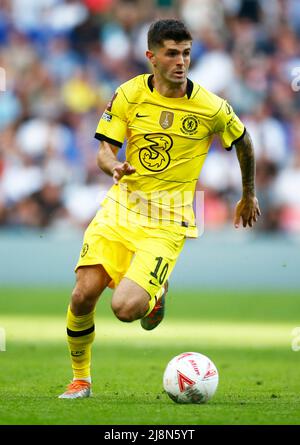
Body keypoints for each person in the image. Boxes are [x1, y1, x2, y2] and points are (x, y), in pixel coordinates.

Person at [58, 19, 261, 399]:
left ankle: (155, 291)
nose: (181, 61)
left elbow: (245, 141)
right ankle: (81, 378)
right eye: (172, 53)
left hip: (168, 220)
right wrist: (113, 166)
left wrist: (248, 194)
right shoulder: (129, 94)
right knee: (83, 294)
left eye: (186, 52)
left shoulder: (210, 107)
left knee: (125, 309)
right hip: (121, 208)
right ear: (152, 57)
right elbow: (104, 150)